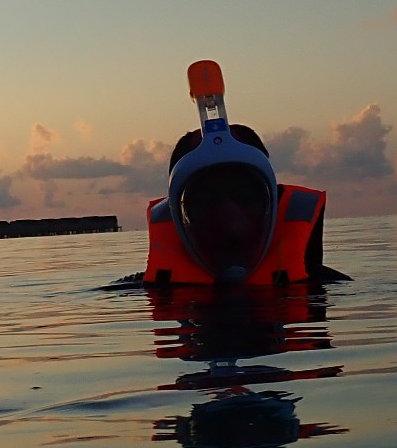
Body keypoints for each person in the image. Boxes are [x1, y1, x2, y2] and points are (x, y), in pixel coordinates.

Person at [141, 60, 344, 286]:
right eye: (204, 201)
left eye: (247, 198)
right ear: (177, 215)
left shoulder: (320, 286)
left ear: (273, 203)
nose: (231, 224)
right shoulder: (151, 288)